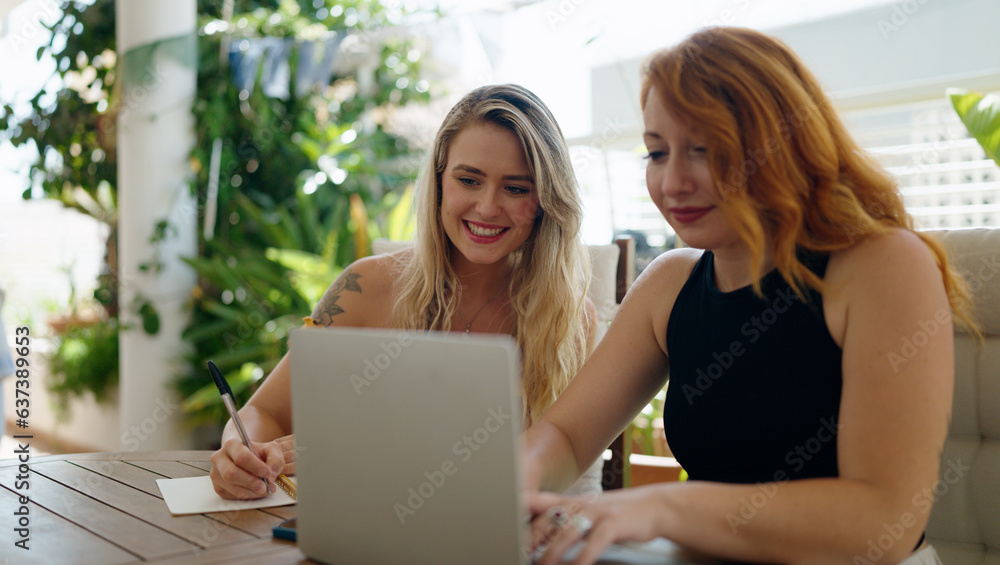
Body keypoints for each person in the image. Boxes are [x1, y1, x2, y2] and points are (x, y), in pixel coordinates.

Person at [524, 27, 977, 565]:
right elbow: (568, 435)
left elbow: (883, 519)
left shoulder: (883, 264)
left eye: (703, 150)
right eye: (657, 152)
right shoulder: (671, 283)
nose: (672, 182)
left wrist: (664, 507)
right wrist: (510, 486)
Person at [210, 83, 601, 500]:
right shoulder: (366, 287)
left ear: (545, 200)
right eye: (468, 180)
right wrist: (238, 450)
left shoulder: (570, 320)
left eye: (516, 188)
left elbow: (559, 472)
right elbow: (266, 412)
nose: (487, 207)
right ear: (438, 183)